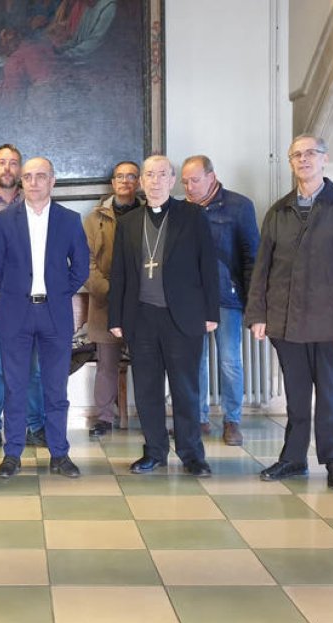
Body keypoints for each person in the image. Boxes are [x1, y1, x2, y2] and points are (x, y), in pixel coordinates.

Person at [247, 134, 333, 491]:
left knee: (329, 394)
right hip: (284, 321)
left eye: (310, 154)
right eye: (296, 155)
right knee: (296, 393)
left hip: (328, 321)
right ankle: (292, 458)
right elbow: (263, 268)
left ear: (324, 159)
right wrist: (257, 314)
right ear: (290, 163)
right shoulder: (279, 211)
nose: (303, 160)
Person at [108, 155, 219, 477]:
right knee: (146, 389)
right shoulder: (129, 222)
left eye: (161, 175)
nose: (154, 181)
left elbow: (208, 266)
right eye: (149, 175)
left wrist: (211, 312)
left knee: (186, 389)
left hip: (182, 317)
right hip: (141, 317)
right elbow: (119, 273)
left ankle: (192, 454)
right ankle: (154, 451)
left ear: (172, 180)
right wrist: (116, 317)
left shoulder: (193, 216)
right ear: (141, 181)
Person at [0, 157, 89, 478]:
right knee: (15, 387)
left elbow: (81, 267)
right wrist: (17, 293)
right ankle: (12, 454)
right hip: (16, 312)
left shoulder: (70, 220)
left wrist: (57, 293)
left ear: (52, 181)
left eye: (40, 176)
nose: (32, 182)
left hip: (54, 314)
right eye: (27, 177)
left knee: (55, 388)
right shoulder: (4, 221)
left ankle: (59, 454)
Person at [181, 155, 260, 446]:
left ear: (211, 177)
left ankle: (232, 421)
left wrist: (254, 304)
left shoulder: (239, 206)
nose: (189, 187)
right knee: (195, 362)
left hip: (228, 298)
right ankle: (199, 419)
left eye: (195, 180)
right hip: (192, 300)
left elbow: (253, 257)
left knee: (229, 361)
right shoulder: (183, 210)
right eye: (185, 182)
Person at [0, 144, 46, 451]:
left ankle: (36, 426)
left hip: (29, 303)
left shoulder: (37, 204)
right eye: (1, 163)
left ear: (20, 170)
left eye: (13, 163)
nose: (7, 168)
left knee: (32, 367)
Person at [83, 160, 141, 438]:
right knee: (106, 363)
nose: (126, 181)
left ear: (139, 181)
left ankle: (149, 416)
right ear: (112, 183)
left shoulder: (148, 213)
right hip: (105, 302)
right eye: (120, 176)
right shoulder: (95, 218)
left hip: (142, 303)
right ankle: (104, 417)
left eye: (132, 176)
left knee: (146, 363)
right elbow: (85, 262)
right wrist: (107, 290)